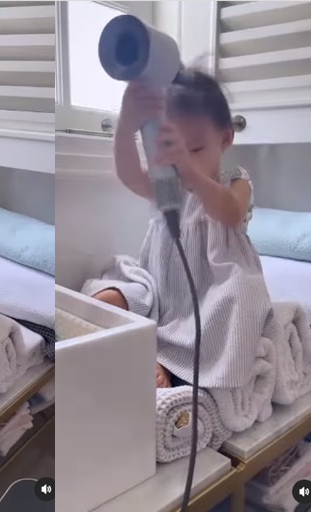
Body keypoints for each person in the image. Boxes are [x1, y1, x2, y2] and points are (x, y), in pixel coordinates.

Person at [82, 69, 272, 389]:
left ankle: (168, 362)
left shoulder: (234, 182)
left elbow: (230, 212)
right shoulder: (166, 186)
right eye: (172, 149)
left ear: (225, 138)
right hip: (163, 284)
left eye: (194, 149)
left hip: (213, 288)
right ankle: (147, 348)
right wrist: (127, 123)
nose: (181, 159)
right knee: (111, 295)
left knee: (239, 304)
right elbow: (129, 174)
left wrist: (190, 172)